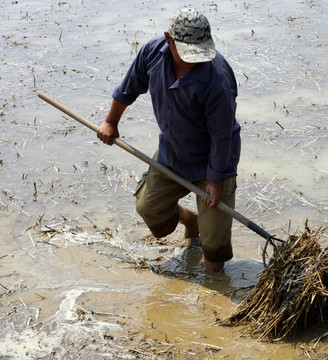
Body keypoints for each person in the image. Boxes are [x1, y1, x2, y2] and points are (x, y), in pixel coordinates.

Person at [97, 8, 241, 272]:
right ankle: (191, 221)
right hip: (173, 152)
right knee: (150, 210)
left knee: (214, 252)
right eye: (188, 55)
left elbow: (223, 137)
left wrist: (217, 182)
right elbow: (127, 89)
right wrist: (111, 122)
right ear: (168, 39)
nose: (194, 62)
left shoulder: (217, 80)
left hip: (213, 162)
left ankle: (211, 296)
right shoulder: (152, 53)